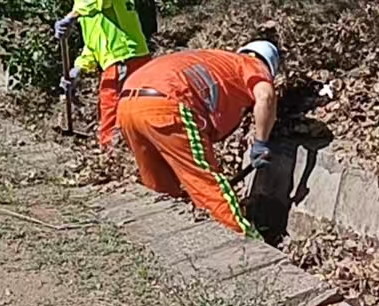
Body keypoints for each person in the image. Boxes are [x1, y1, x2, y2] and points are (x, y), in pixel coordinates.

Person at [115, 41, 279, 237]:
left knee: (160, 186)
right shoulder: (252, 64)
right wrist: (261, 142)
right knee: (206, 183)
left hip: (127, 105)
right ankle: (245, 242)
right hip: (167, 104)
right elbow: (266, 97)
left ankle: (169, 236)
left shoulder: (216, 59)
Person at [40, 0, 151, 149]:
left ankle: (109, 158)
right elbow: (93, 42)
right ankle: (127, 156)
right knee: (130, 111)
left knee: (112, 111)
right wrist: (77, 69)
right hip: (121, 58)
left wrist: (71, 17)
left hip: (123, 57)